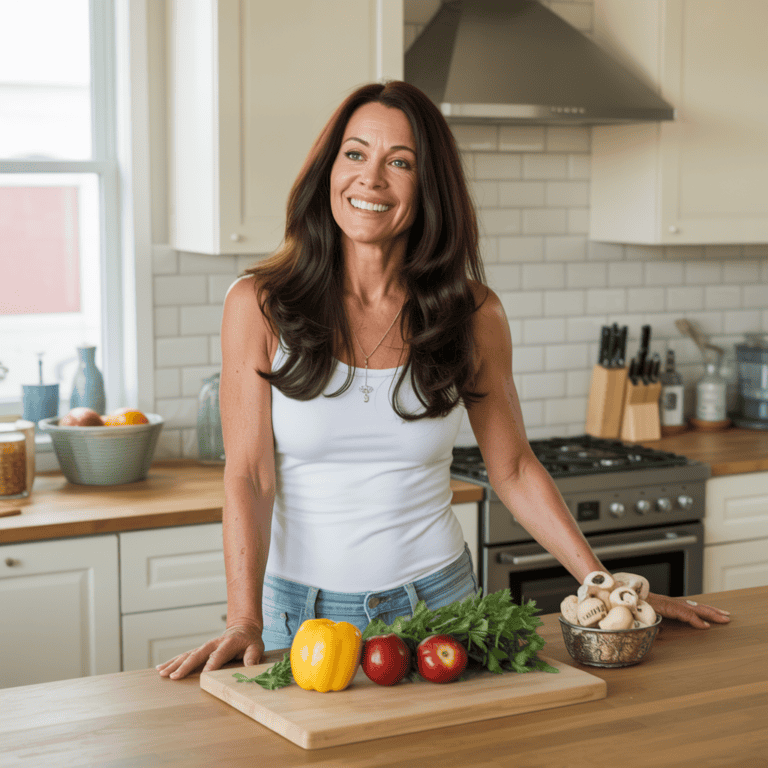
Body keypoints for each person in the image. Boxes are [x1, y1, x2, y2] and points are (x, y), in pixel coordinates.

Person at [157, 81, 729, 680]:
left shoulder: (472, 314)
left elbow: (512, 469)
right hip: (299, 618)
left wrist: (610, 592)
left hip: (442, 610)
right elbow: (249, 475)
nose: (371, 180)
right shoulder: (259, 304)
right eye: (355, 154)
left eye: (399, 163)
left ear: (428, 186)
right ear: (329, 169)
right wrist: (243, 620)